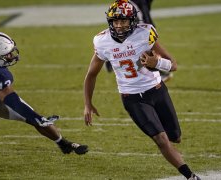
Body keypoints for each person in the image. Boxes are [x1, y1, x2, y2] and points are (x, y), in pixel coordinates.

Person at [83, 0, 200, 179]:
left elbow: (173, 65)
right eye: (115, 21)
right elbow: (91, 74)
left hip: (157, 91)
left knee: (174, 138)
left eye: (123, 21)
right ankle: (190, 176)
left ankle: (172, 151)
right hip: (132, 98)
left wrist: (157, 63)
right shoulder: (102, 41)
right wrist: (87, 103)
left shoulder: (145, 33)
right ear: (110, 21)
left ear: (132, 20)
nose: (119, 25)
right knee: (161, 140)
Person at [104, 0, 173, 82]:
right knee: (143, 34)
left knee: (144, 34)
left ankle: (112, 58)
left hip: (140, 3)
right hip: (135, 3)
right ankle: (153, 70)